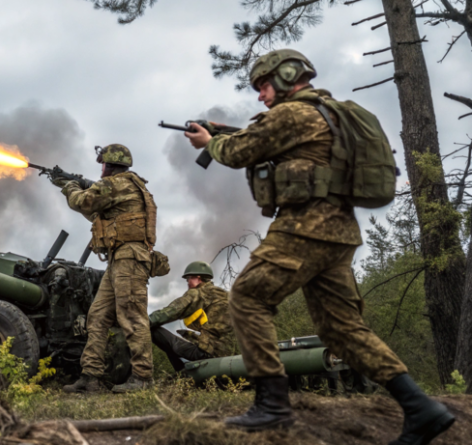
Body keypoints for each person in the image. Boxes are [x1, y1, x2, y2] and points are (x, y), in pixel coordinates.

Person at [185, 49, 455, 444]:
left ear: (287, 75)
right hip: (339, 231)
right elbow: (272, 145)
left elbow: (239, 152)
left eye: (264, 85)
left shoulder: (292, 114)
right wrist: (226, 132)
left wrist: (210, 142)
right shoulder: (330, 114)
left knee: (247, 297)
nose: (260, 95)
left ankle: (272, 406)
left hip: (304, 225)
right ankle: (420, 407)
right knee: (341, 329)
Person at [55, 144, 157, 393]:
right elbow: (97, 214)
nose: (101, 169)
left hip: (129, 259)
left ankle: (143, 378)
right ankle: (91, 377)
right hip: (119, 259)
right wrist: (75, 185)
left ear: (109, 165)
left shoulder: (116, 184)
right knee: (98, 317)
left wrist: (69, 186)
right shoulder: (128, 186)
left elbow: (83, 202)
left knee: (132, 316)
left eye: (103, 165)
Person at [149, 261, 234, 372]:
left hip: (208, 353)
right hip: (231, 354)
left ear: (198, 278)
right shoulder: (225, 296)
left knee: (155, 331)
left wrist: (142, 321)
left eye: (189, 278)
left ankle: (182, 373)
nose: (188, 282)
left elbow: (169, 312)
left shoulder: (198, 293)